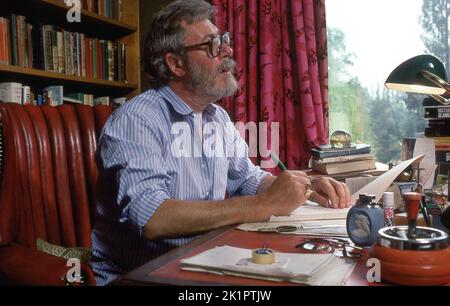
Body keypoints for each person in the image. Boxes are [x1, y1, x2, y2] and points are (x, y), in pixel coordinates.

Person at [91, 0, 352, 286]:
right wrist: (264, 204)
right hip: (143, 277)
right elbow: (152, 217)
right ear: (176, 64)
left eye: (223, 40)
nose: (228, 50)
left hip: (201, 265)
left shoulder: (217, 118)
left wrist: (304, 186)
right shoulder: (137, 119)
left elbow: (248, 179)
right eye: (212, 45)